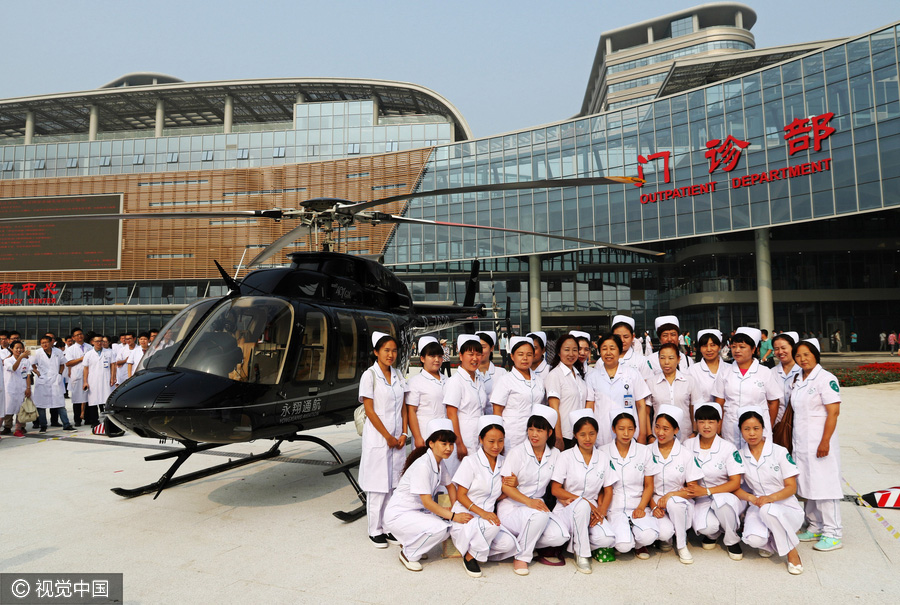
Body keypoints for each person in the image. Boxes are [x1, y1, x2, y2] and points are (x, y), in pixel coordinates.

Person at [385, 419, 466, 572]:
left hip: (414, 512)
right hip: (399, 515)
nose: (449, 448)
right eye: (444, 444)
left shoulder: (438, 462)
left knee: (446, 526)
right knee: (441, 528)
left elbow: (450, 486)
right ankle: (409, 554)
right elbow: (428, 502)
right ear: (431, 443)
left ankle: (414, 544)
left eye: (451, 444)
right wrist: (454, 516)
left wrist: (456, 508)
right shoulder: (423, 466)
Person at [498, 405, 569, 575]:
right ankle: (522, 556)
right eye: (530, 429)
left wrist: (566, 498)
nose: (534, 434)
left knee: (561, 536)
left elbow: (557, 484)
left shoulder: (555, 454)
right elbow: (505, 487)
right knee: (539, 514)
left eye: (539, 430)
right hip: (513, 507)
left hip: (537, 508)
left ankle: (521, 540)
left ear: (549, 433)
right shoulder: (517, 453)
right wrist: (529, 502)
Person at [734, 406, 805, 575]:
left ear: (763, 429)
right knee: (753, 539)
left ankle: (792, 553)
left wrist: (770, 498)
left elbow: (791, 487)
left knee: (768, 510)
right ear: (741, 431)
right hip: (758, 504)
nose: (752, 433)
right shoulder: (739, 455)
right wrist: (752, 498)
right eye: (747, 429)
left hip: (787, 509)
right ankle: (773, 541)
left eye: (756, 428)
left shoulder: (779, 451)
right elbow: (735, 487)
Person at [791, 338, 844, 552]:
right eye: (798, 355)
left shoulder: (826, 378)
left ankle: (833, 533)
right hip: (802, 443)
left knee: (825, 486)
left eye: (806, 354)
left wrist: (825, 441)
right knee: (808, 485)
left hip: (820, 443)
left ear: (815, 354)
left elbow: (834, 412)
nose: (802, 359)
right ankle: (815, 526)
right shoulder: (800, 379)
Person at [549, 409, 617, 574]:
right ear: (575, 435)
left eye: (592, 434)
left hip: (593, 509)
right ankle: (582, 554)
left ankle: (576, 542)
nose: (588, 439)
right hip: (567, 506)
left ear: (597, 434)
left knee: (607, 538)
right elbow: (555, 489)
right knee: (580, 508)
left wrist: (601, 511)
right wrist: (583, 501)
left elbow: (608, 490)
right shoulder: (565, 456)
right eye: (583, 434)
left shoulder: (603, 458)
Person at [358, 331, 409, 549]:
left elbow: (404, 407)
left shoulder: (398, 374)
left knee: (393, 485)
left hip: (397, 438)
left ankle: (388, 527)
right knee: (378, 485)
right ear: (376, 352)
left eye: (394, 350)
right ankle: (374, 530)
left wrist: (404, 434)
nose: (391, 354)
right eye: (386, 350)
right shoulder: (369, 375)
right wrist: (387, 437)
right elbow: (369, 410)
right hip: (379, 438)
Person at [450, 415, 518, 578]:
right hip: (467, 518)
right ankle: (470, 556)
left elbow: (497, 495)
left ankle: (477, 548)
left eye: (500, 441)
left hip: (487, 521)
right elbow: (461, 495)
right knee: (493, 525)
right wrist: (483, 514)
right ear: (481, 439)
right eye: (491, 441)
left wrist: (513, 485)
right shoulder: (470, 462)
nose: (496, 446)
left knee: (508, 544)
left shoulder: (504, 462)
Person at [685, 402, 747, 560]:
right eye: (702, 421)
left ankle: (732, 540)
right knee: (707, 527)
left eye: (711, 422)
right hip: (701, 500)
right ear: (696, 423)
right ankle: (715, 533)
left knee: (723, 504)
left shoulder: (728, 448)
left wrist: (706, 491)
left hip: (725, 495)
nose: (706, 426)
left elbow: (734, 482)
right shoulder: (687, 445)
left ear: (719, 424)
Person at [601, 407, 660, 560]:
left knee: (649, 536)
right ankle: (630, 538)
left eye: (630, 429)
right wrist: (604, 511)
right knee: (623, 546)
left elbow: (649, 485)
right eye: (621, 429)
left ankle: (640, 543)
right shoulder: (603, 452)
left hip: (637, 505)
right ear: (614, 429)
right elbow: (600, 487)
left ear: (635, 430)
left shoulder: (644, 451)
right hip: (614, 507)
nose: (626, 433)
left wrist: (641, 507)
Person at [649, 405, 704, 564]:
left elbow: (692, 489)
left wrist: (671, 495)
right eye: (657, 427)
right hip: (655, 503)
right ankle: (668, 536)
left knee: (674, 503)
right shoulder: (647, 451)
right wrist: (653, 506)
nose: (660, 432)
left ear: (676, 430)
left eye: (665, 428)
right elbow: (644, 487)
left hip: (679, 503)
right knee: (664, 534)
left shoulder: (685, 454)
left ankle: (681, 545)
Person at [711, 327, 782, 446]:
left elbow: (773, 402)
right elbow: (719, 402)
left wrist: (767, 424)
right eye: (733, 347)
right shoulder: (725, 372)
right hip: (731, 429)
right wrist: (718, 429)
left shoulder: (764, 372)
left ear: (753, 349)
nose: (737, 350)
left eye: (742, 347)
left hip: (758, 430)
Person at [586, 333, 651, 444]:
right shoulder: (592, 377)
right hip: (602, 434)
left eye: (612, 348)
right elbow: (589, 408)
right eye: (604, 349)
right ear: (599, 352)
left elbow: (641, 406)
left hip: (629, 434)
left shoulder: (632, 374)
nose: (608, 353)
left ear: (619, 351)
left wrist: (643, 434)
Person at [490, 336, 545, 450]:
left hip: (534, 436)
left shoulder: (539, 380)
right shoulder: (505, 380)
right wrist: (498, 438)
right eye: (520, 354)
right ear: (512, 356)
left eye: (529, 354)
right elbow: (497, 412)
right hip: (511, 436)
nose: (525, 358)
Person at [444, 335, 486, 465]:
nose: (475, 358)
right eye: (470, 354)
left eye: (478, 354)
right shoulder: (455, 382)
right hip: (463, 436)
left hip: (478, 435)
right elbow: (451, 414)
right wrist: (459, 443)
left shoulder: (479, 379)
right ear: (461, 356)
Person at [645, 343, 701, 441]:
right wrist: (650, 436)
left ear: (678, 359)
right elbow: (646, 412)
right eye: (662, 358)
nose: (666, 362)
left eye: (671, 358)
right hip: (659, 437)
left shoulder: (689, 380)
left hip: (685, 436)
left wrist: (695, 431)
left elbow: (693, 408)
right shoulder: (651, 382)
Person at [543, 334, 588, 449]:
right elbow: (554, 408)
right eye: (567, 350)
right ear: (559, 352)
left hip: (579, 434)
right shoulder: (555, 375)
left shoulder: (578, 376)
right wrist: (558, 437)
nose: (571, 354)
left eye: (575, 350)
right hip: (565, 435)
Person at [407, 337, 447, 449]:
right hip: (425, 436)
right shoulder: (415, 382)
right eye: (432, 356)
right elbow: (411, 412)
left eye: (440, 356)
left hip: (445, 435)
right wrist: (418, 437)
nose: (437, 360)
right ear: (422, 358)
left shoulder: (447, 380)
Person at [31, 335, 75, 432]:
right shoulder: (37, 352)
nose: (44, 344)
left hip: (55, 380)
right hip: (42, 380)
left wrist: (59, 374)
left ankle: (66, 424)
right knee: (41, 406)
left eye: (46, 342)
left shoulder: (58, 352)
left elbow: (62, 364)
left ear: (51, 342)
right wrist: (37, 372)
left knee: (60, 404)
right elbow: (32, 364)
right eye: (42, 343)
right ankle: (43, 426)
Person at [82, 335, 115, 427]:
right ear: (92, 342)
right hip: (93, 380)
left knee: (106, 400)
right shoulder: (88, 354)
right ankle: (94, 421)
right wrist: (85, 381)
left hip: (106, 379)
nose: (99, 343)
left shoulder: (109, 352)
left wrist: (113, 377)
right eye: (97, 341)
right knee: (93, 401)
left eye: (101, 341)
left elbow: (113, 365)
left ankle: (108, 420)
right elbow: (85, 369)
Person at [689, 329, 726, 404]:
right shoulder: (692, 370)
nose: (709, 349)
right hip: (700, 414)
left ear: (719, 347)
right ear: (700, 349)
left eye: (713, 345)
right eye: (705, 346)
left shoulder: (729, 369)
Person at [3, 341, 32, 438]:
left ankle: (18, 430)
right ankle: (7, 427)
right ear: (11, 349)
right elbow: (13, 368)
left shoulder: (26, 361)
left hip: (21, 388)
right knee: (8, 409)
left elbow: (28, 375)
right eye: (17, 348)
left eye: (21, 348)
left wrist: (28, 388)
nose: (19, 350)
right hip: (10, 389)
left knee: (21, 410)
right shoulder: (8, 361)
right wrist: (20, 357)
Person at [771, 331, 802, 425]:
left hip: (800, 423)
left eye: (783, 348)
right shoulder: (770, 373)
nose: (780, 352)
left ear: (793, 348)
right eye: (776, 349)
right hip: (778, 425)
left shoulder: (803, 371)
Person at [476, 331, 507, 414]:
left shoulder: (501, 373)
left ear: (492, 348)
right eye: (476, 347)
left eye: (483, 347)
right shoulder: (468, 374)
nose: (479, 351)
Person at [611, 315, 651, 379]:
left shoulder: (641, 361)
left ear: (633, 337)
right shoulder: (602, 361)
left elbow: (648, 384)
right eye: (618, 337)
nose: (622, 340)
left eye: (626, 337)